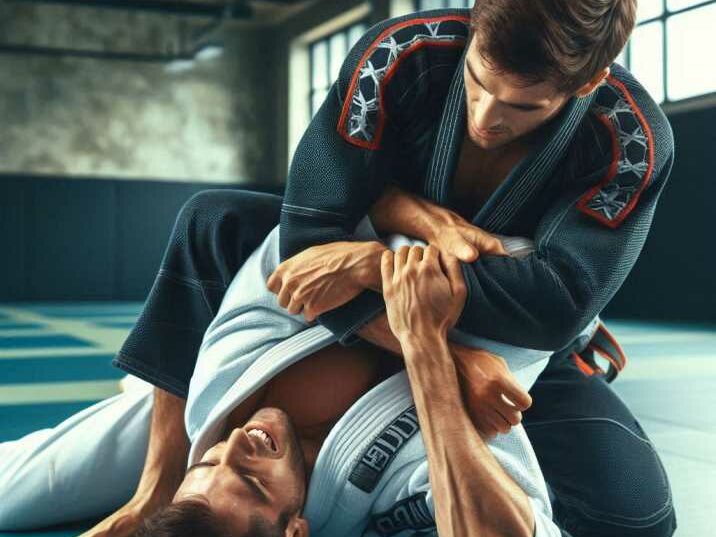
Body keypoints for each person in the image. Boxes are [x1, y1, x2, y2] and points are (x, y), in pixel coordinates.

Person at [66, 1, 676, 534]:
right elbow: (308, 227)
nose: (487, 117)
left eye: (523, 106)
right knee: (214, 220)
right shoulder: (397, 56)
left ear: (590, 81)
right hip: (434, 305)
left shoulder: (629, 140)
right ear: (469, 29)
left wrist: (369, 261)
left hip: (503, 333)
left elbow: (553, 305)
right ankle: (160, 474)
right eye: (476, 82)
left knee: (634, 518)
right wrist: (421, 236)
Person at [0, 225, 564, 537]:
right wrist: (428, 351)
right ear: (295, 531)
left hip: (196, 396)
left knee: (22, 487)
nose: (239, 445)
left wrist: (168, 477)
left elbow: (291, 256)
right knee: (633, 514)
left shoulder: (222, 394)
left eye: (214, 464)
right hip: (523, 290)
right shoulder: (383, 485)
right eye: (251, 482)